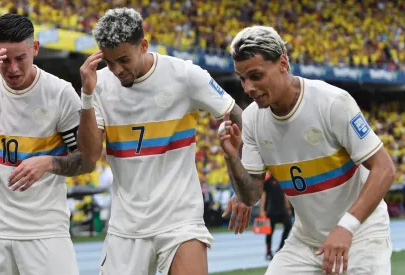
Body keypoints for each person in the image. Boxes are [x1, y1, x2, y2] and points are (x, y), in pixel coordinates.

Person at [78, 7, 248, 275]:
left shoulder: (184, 75)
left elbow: (241, 119)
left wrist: (245, 185)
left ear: (143, 45)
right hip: (127, 227)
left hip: (180, 219)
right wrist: (86, 96)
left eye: (123, 59)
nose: (117, 70)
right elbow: (88, 157)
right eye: (109, 62)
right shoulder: (99, 86)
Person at [220, 25, 395, 275]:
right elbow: (250, 195)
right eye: (242, 79)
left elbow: (385, 169)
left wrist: (346, 227)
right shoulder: (252, 120)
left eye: (256, 76)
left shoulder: (332, 102)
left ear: (282, 63)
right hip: (306, 240)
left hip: (361, 234)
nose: (247, 88)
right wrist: (231, 158)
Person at [0, 13, 95, 275]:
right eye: (5, 59)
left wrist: (49, 163)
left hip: (46, 231)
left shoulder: (60, 93)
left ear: (35, 49)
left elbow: (87, 161)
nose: (13, 68)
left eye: (21, 58)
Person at [259, 172, 292, 260]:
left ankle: (280, 248)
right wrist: (262, 210)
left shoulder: (283, 179)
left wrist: (288, 207)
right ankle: (268, 252)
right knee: (269, 231)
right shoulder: (268, 180)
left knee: (289, 225)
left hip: (282, 209)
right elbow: (263, 195)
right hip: (271, 209)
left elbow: (285, 194)